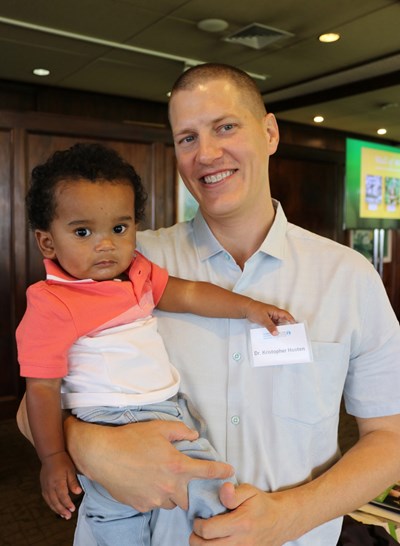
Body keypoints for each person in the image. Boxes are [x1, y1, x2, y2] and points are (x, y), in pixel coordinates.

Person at [17, 63, 400, 546]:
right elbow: (34, 398)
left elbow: (391, 437)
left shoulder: (349, 277)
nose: (207, 154)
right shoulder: (124, 263)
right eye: (186, 138)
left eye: (225, 127)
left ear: (269, 132)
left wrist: (289, 516)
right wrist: (92, 446)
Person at [16, 142, 294, 546]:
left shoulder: (137, 274)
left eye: (119, 228)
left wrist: (247, 307)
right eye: (82, 232)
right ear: (47, 243)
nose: (106, 243)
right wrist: (54, 457)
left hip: (166, 409)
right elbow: (41, 388)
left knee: (190, 488)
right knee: (127, 512)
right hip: (106, 418)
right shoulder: (52, 302)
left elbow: (192, 295)